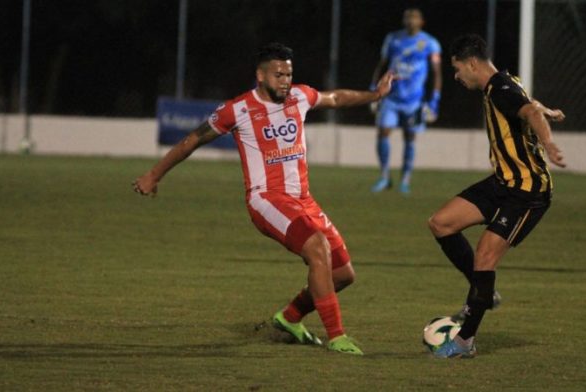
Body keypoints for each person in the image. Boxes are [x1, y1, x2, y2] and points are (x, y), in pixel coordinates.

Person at [132, 43, 394, 356]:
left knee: (342, 274)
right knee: (316, 248)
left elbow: (335, 98)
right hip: (267, 200)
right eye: (278, 74)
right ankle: (337, 337)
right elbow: (192, 140)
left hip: (302, 199)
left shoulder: (299, 96)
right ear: (260, 75)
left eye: (289, 74)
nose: (285, 80)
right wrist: (154, 175)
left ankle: (289, 318)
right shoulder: (238, 109)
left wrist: (375, 95)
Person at [427, 34, 566, 358]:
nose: (457, 76)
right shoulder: (504, 84)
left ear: (472, 63)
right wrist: (547, 111)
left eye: (458, 69)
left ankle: (464, 342)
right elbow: (528, 105)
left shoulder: (500, 88)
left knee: (485, 256)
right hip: (502, 182)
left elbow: (529, 110)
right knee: (441, 223)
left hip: (527, 192)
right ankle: (482, 292)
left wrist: (547, 141)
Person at [370, 8, 442, 194]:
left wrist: (434, 100)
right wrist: (373, 91)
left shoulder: (430, 43)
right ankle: (385, 176)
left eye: (414, 17)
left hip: (414, 101)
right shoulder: (393, 39)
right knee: (383, 133)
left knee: (410, 137)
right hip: (391, 97)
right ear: (403, 21)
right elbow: (382, 64)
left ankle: (405, 180)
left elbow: (436, 73)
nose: (411, 20)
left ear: (421, 21)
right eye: (408, 17)